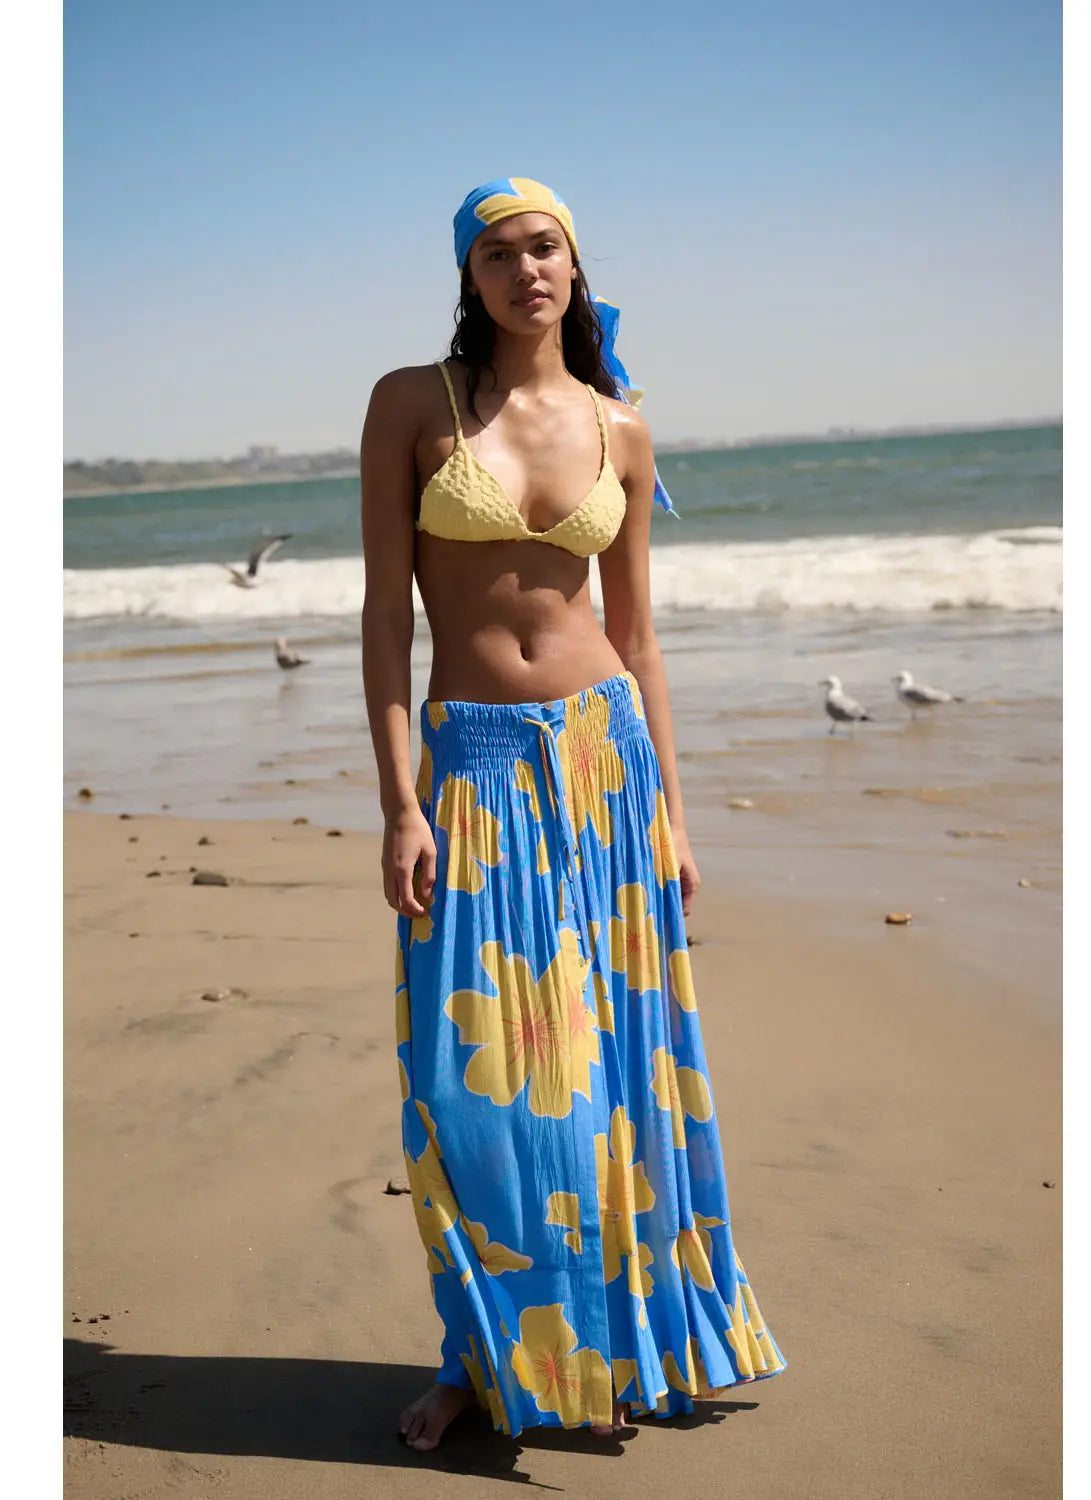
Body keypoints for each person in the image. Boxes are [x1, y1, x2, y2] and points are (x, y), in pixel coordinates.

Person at [360, 177, 785, 1453]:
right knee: (478, 1090)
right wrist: (400, 803)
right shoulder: (412, 406)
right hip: (476, 771)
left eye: (544, 247)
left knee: (621, 1080)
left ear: (576, 265)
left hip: (608, 767)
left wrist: (676, 817)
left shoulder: (621, 428)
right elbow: (386, 618)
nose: (525, 270)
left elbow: (639, 639)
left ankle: (629, 1344)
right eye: (497, 254)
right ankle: (483, 1356)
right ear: (469, 278)